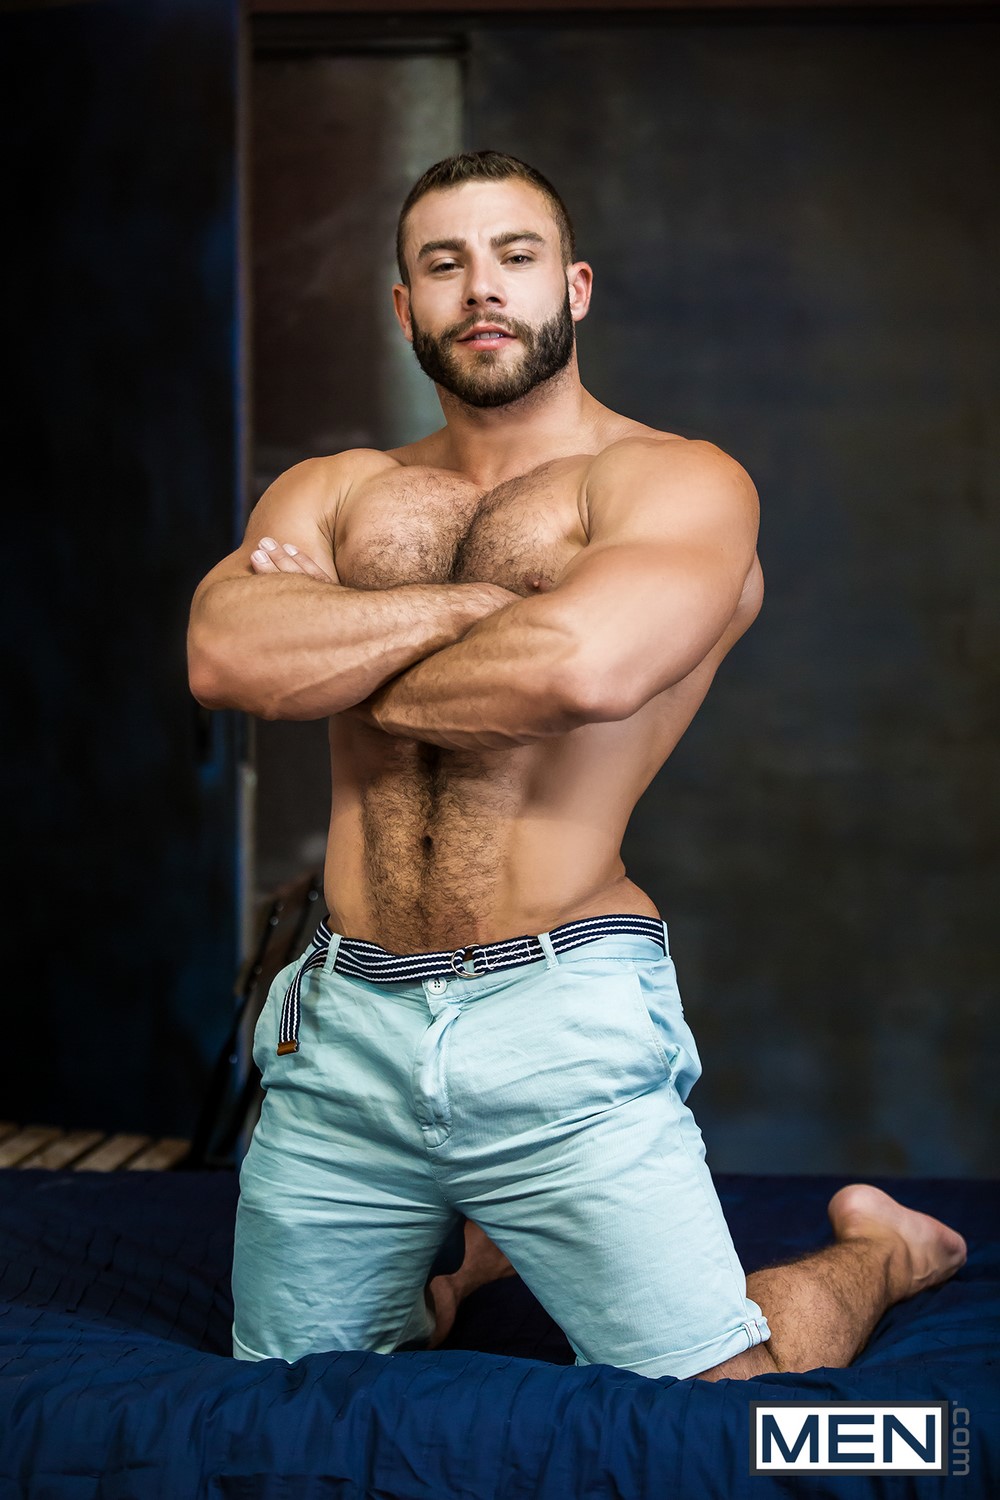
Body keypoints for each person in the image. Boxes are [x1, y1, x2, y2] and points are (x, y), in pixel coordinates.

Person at [187, 150, 966, 1380]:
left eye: (516, 255)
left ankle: (883, 1250)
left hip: (555, 1008)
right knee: (288, 1389)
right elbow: (226, 658)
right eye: (442, 264)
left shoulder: (670, 479)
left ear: (575, 287)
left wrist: (336, 645)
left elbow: (577, 672)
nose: (480, 287)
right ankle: (476, 1254)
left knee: (723, 1402)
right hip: (343, 1025)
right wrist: (483, 608)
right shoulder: (333, 489)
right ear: (403, 304)